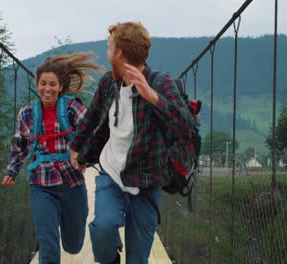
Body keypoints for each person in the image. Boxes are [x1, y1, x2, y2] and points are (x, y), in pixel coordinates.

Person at [69, 22, 194, 264]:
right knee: (102, 227)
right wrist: (76, 147)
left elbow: (185, 125)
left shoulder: (161, 83)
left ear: (119, 53)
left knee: (137, 258)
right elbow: (92, 117)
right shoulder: (109, 83)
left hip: (147, 181)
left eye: (109, 47)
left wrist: (153, 97)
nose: (107, 53)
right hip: (112, 173)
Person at [2, 52, 104, 264]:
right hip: (41, 185)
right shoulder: (27, 113)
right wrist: (11, 171)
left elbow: (91, 135)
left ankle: (72, 241)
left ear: (60, 86)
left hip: (72, 183)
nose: (47, 89)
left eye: (52, 84)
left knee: (73, 245)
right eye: (43, 84)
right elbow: (19, 145)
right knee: (47, 243)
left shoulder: (71, 107)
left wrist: (85, 158)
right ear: (37, 84)